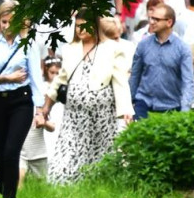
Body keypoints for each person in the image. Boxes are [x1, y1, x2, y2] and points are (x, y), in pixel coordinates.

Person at [40, 13, 132, 184]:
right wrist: (46, 107)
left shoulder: (112, 48)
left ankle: (95, 190)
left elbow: (120, 82)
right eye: (77, 25)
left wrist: (126, 111)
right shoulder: (70, 48)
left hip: (102, 117)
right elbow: (60, 80)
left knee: (100, 158)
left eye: (84, 25)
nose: (80, 29)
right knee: (64, 160)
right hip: (74, 117)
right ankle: (61, 191)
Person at [0, 0, 45, 198]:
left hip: (21, 100)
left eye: (11, 23)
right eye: (3, 22)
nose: (7, 27)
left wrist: (39, 108)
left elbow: (35, 76)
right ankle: (3, 190)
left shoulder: (28, 42)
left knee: (11, 150)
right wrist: (5, 78)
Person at [129, 3, 194, 119]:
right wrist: (129, 104)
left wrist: (185, 112)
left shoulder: (182, 49)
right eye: (151, 18)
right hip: (143, 103)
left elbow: (188, 82)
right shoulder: (143, 45)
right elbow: (135, 75)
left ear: (169, 22)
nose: (152, 22)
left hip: (171, 107)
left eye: (157, 19)